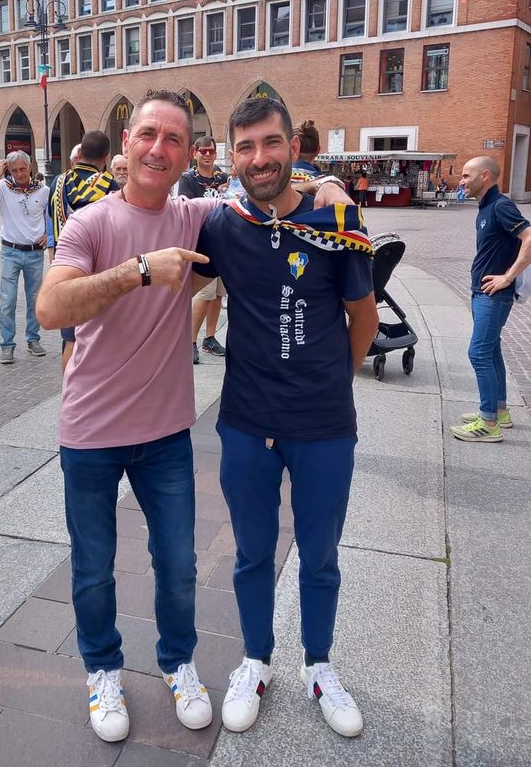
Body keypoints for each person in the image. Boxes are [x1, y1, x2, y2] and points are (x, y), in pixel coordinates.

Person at [36, 90, 350, 743]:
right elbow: (50, 310)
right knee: (93, 566)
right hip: (90, 433)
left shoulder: (197, 216)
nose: (158, 148)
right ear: (126, 143)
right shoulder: (88, 224)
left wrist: (326, 182)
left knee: (178, 565)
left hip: (165, 434)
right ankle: (103, 672)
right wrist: (134, 273)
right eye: (148, 133)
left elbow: (266, 189)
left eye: (174, 139)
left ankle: (178, 663)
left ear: (190, 155)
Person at [192, 97, 377, 739]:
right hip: (245, 420)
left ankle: (320, 666)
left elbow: (365, 318)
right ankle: (256, 659)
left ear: (292, 146)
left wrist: (326, 384)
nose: (260, 158)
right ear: (229, 154)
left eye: (270, 144)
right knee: (251, 551)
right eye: (245, 147)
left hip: (323, 424)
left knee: (321, 553)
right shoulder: (221, 226)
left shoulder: (336, 220)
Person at [450, 156, 531, 442]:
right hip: (482, 292)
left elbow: (529, 237)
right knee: (491, 350)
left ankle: (488, 423)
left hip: (494, 295)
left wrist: (507, 278)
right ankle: (500, 411)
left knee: (479, 352)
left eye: (466, 175)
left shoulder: (501, 205)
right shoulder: (486, 207)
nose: (462, 181)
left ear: (485, 176)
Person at [48, 132, 118, 372]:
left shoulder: (58, 182)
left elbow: (50, 218)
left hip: (64, 269)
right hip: (99, 271)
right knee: (100, 340)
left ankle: (69, 396)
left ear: (79, 155)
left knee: (70, 340)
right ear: (106, 157)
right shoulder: (110, 184)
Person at [0, 151, 49, 363]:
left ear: (30, 168)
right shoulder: (3, 187)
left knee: (33, 299)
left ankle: (32, 339)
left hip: (34, 253)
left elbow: (51, 217)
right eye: (14, 170)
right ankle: (7, 345)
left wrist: (49, 234)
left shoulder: (44, 191)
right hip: (10, 251)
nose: (19, 174)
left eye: (22, 169)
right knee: (7, 300)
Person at [178, 136, 228, 364]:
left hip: (223, 242)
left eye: (211, 151)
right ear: (195, 153)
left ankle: (209, 337)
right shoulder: (189, 179)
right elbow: (188, 210)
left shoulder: (223, 177)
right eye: (203, 151)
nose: (208, 155)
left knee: (217, 294)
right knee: (203, 295)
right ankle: (190, 341)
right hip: (202, 242)